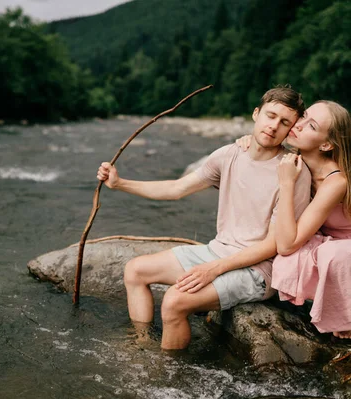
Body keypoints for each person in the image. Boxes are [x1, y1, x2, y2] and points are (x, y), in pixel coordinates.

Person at [96, 87, 312, 350]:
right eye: (271, 115)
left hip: (258, 270)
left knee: (174, 302)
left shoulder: (292, 172)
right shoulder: (228, 154)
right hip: (217, 252)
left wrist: (214, 269)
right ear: (256, 114)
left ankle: (166, 373)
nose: (274, 126)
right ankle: (142, 346)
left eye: (284, 122)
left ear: (290, 130)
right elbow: (176, 189)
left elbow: (274, 245)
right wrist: (120, 184)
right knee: (135, 270)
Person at [236, 100, 351, 339]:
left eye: (311, 126)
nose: (298, 125)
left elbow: (287, 244)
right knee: (288, 257)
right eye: (303, 117)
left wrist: (287, 184)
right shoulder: (298, 157)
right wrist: (248, 141)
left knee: (327, 254)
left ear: (326, 144)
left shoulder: (337, 181)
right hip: (330, 238)